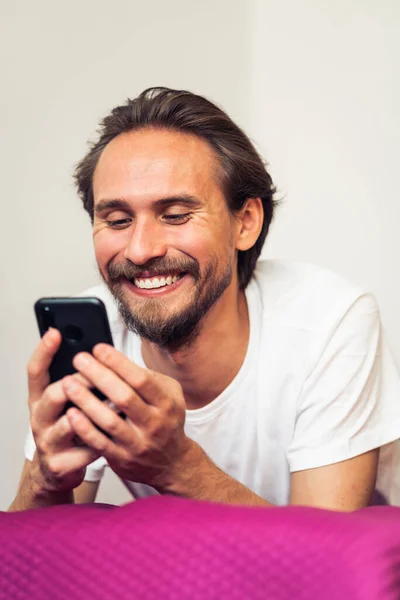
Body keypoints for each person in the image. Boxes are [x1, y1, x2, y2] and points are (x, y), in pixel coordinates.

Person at [9, 87, 400, 512]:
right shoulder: (95, 336)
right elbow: (29, 561)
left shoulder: (330, 321)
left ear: (245, 222)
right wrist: (45, 478)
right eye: (117, 220)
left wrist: (179, 467)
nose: (140, 250)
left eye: (176, 215)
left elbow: (327, 562)